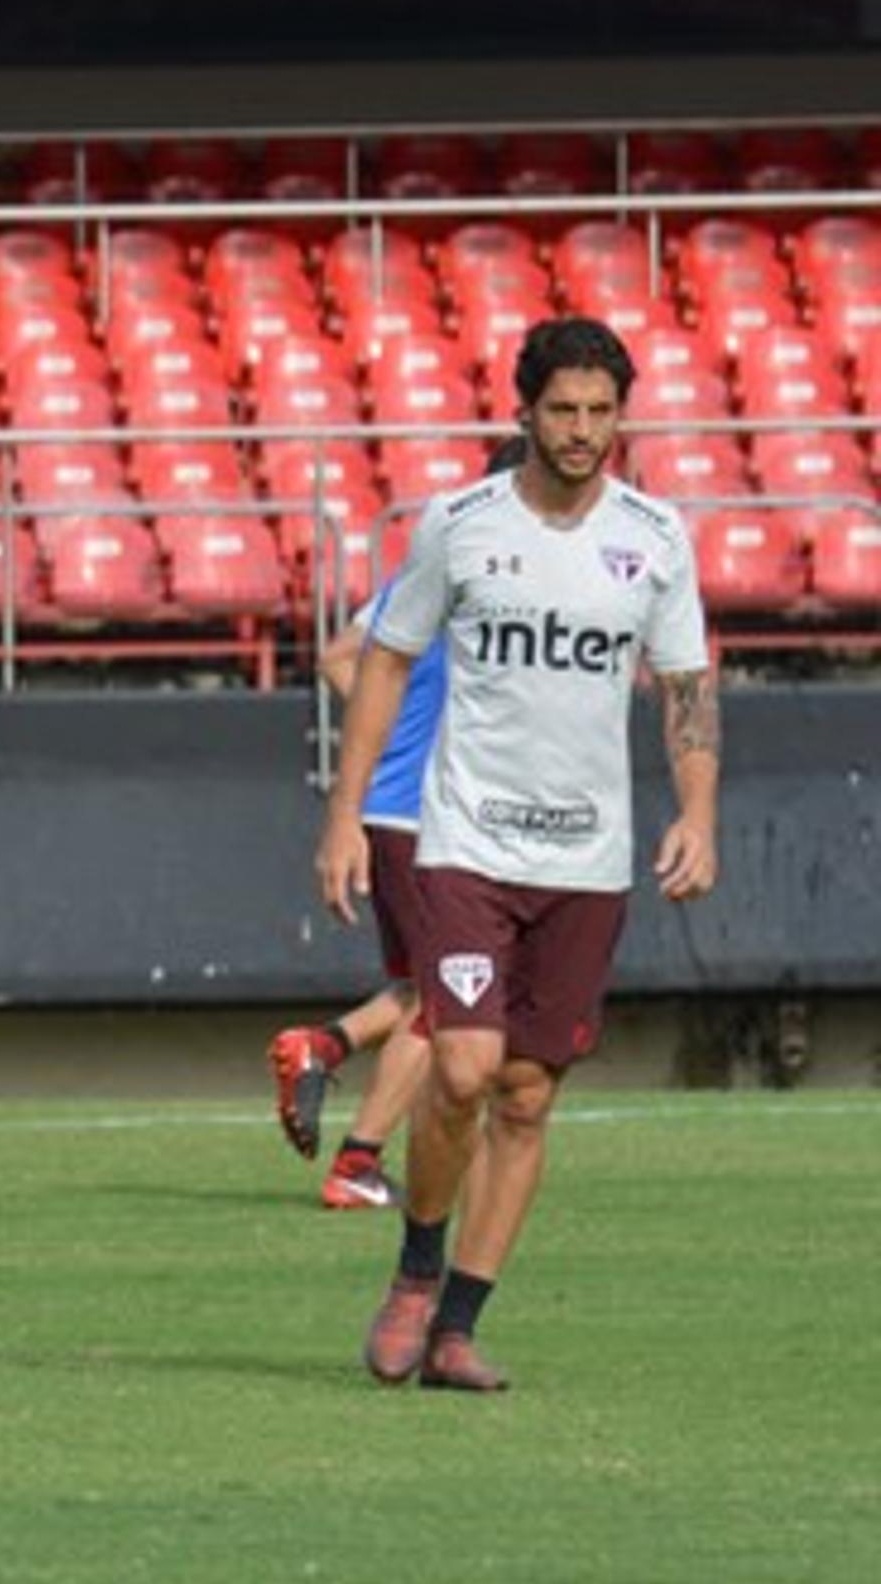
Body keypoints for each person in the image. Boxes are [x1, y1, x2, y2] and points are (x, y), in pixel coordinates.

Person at [318, 317, 716, 1394]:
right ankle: (413, 1268)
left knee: (531, 1095)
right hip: (466, 843)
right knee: (462, 1064)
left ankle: (457, 1325)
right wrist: (347, 812)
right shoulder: (460, 526)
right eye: (562, 411)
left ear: (619, 417)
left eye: (599, 412)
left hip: (587, 859)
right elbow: (387, 665)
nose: (582, 431)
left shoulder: (656, 539)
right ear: (525, 413)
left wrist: (697, 812)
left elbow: (684, 686)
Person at [271, 437, 523, 1210]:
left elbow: (340, 653)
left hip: (392, 806)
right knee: (451, 1001)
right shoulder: (494, 585)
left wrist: (387, 727)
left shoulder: (437, 570)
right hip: (428, 814)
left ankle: (322, 1047)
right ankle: (357, 1161)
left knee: (423, 989)